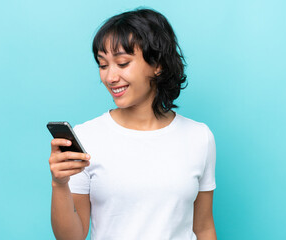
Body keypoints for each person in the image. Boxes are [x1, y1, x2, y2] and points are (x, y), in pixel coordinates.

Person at [49, 8, 217, 240]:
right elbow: (72, 237)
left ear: (157, 64)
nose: (110, 77)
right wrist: (59, 184)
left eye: (122, 63)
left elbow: (204, 228)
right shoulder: (87, 137)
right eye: (103, 65)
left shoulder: (199, 137)